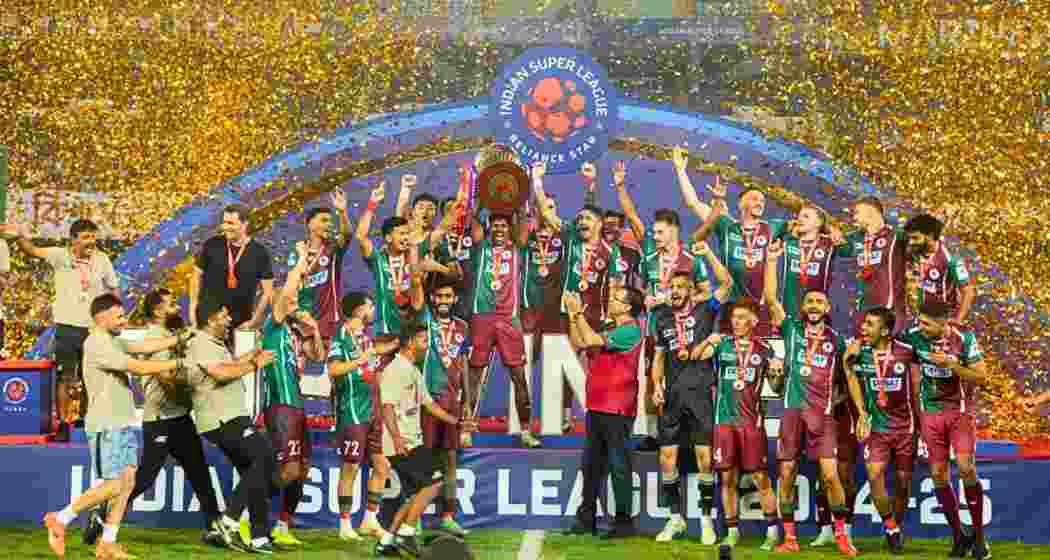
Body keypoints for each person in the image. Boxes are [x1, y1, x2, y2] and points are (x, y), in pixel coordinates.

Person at [42, 294, 181, 560]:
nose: (124, 320)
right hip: (107, 424)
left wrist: (179, 339)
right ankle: (60, 518)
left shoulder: (112, 339)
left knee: (127, 483)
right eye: (119, 316)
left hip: (122, 422)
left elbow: (142, 347)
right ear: (101, 317)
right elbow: (138, 367)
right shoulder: (96, 343)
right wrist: (177, 362)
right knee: (115, 485)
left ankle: (107, 543)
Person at [84, 289, 221, 547]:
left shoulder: (149, 337)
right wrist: (186, 374)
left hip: (179, 417)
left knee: (199, 472)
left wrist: (180, 340)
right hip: (158, 420)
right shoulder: (107, 342)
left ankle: (215, 525)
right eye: (172, 304)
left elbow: (145, 349)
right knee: (143, 478)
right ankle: (96, 514)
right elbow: (154, 373)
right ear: (158, 310)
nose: (178, 308)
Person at [763, 240, 857, 555]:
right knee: (786, 474)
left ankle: (841, 535)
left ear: (828, 309)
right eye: (810, 301)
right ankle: (790, 539)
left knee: (830, 476)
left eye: (820, 301)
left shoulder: (838, 341)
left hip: (823, 415)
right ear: (803, 308)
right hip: (792, 411)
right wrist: (772, 261)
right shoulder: (791, 328)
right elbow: (771, 299)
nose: (814, 305)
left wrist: (843, 403)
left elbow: (848, 377)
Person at [11, 219, 119, 441]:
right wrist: (19, 235)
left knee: (92, 377)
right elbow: (32, 250)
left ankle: (88, 420)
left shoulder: (102, 259)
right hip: (67, 327)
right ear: (73, 239)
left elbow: (113, 289)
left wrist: (116, 318)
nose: (91, 241)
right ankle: (62, 424)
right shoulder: (60, 255)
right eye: (86, 237)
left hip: (94, 329)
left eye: (93, 236)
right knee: (65, 377)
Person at [898, 301, 990, 560]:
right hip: (930, 413)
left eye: (927, 323)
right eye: (920, 321)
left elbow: (982, 377)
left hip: (958, 411)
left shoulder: (964, 339)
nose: (921, 326)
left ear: (943, 323)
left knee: (966, 468)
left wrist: (952, 365)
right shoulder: (913, 336)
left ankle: (979, 538)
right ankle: (959, 536)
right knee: (938, 474)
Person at [672, 147, 796, 336]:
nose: (759, 202)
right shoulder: (725, 226)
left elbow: (804, 225)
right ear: (740, 204)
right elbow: (693, 203)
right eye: (754, 198)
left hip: (760, 308)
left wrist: (830, 230)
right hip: (731, 307)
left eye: (762, 201)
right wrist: (680, 170)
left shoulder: (773, 227)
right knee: (728, 350)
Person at [186, 305, 278, 554]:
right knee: (263, 458)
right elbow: (220, 373)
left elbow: (229, 365)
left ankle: (259, 537)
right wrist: (255, 364)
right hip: (222, 418)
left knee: (255, 470)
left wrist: (251, 355)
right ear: (209, 319)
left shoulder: (215, 343)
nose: (229, 320)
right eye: (223, 316)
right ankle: (228, 521)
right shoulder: (200, 343)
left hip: (231, 415)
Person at [374, 321, 467, 557]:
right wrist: (397, 438)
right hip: (404, 443)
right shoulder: (396, 370)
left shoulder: (413, 370)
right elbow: (387, 407)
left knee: (415, 495)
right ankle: (406, 534)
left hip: (409, 441)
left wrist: (456, 422)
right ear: (409, 343)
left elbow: (429, 404)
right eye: (424, 340)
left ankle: (387, 541)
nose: (427, 345)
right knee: (434, 482)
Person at [562, 286, 645, 539]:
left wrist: (578, 314)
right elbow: (579, 343)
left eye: (616, 298)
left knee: (619, 465)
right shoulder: (610, 328)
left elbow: (589, 339)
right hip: (597, 405)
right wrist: (572, 316)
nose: (610, 300)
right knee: (590, 465)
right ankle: (586, 518)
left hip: (617, 407)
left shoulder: (631, 330)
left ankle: (623, 523)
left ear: (627, 307)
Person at [647, 271, 721, 544]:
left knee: (705, 458)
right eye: (672, 287)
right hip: (673, 396)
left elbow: (726, 285)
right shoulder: (662, 317)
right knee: (666, 457)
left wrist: (705, 256)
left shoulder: (705, 310)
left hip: (700, 394)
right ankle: (675, 517)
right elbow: (658, 358)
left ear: (691, 291)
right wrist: (656, 385)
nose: (675, 291)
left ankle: (706, 521)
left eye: (681, 287)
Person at [261, 241, 327, 547]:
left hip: (297, 405)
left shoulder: (294, 331)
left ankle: (283, 526)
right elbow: (288, 291)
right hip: (280, 405)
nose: (294, 302)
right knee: (287, 470)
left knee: (302, 470)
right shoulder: (272, 326)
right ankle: (244, 515)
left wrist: (314, 330)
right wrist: (301, 261)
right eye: (290, 300)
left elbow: (318, 357)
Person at [701, 300, 780, 550]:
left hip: (751, 423)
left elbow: (776, 388)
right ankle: (732, 531)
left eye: (742, 317)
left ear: (754, 321)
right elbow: (697, 356)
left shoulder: (765, 349)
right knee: (727, 478)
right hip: (724, 422)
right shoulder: (722, 345)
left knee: (760, 478)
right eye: (734, 317)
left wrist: (776, 373)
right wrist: (708, 341)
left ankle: (772, 532)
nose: (736, 322)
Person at [843, 306, 918, 554]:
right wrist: (862, 412)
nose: (863, 328)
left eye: (870, 324)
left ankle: (896, 525)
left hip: (905, 428)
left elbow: (917, 389)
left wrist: (922, 428)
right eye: (863, 323)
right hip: (876, 428)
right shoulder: (860, 353)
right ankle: (891, 528)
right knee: (874, 475)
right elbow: (850, 376)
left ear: (885, 331)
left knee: (903, 483)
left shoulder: (906, 352)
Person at [462, 204, 538, 448]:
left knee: (519, 376)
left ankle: (525, 431)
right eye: (495, 225)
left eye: (503, 226)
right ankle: (466, 429)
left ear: (509, 229)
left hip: (508, 318)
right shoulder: (481, 247)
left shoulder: (517, 248)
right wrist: (483, 198)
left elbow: (524, 223)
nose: (499, 229)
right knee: (474, 375)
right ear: (489, 227)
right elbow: (475, 220)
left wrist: (521, 195)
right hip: (482, 317)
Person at [328, 292, 397, 541]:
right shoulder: (340, 336)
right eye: (370, 306)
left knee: (382, 465)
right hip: (353, 411)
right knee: (351, 467)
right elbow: (334, 369)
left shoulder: (365, 338)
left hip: (372, 411)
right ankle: (345, 524)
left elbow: (372, 365)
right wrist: (361, 360)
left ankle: (369, 520)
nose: (373, 310)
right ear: (358, 310)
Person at [410, 278, 472, 536]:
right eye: (440, 296)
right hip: (427, 400)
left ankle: (448, 516)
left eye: (448, 296)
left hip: (452, 402)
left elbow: (464, 364)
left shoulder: (463, 327)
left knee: (449, 460)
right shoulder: (425, 320)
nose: (444, 300)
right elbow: (417, 286)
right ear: (432, 299)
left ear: (455, 299)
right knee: (423, 459)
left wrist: (467, 402)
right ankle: (415, 518)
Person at [189, 204, 274, 331]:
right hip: (207, 321)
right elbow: (195, 276)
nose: (225, 227)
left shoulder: (259, 253)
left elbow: (268, 291)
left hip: (240, 324)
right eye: (224, 222)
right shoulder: (212, 244)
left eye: (231, 223)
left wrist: (254, 321)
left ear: (244, 224)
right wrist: (192, 308)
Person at [286, 191, 353, 341]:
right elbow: (291, 287)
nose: (329, 225)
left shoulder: (332, 248)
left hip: (329, 319)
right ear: (309, 224)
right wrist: (296, 313)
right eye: (324, 220)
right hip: (304, 320)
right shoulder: (296, 251)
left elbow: (347, 235)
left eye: (330, 221)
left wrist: (342, 212)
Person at [836, 197, 908, 334]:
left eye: (857, 213)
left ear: (871, 212)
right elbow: (836, 247)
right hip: (863, 308)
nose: (854, 218)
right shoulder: (853, 238)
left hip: (889, 309)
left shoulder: (896, 236)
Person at [902, 213, 975, 324]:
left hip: (941, 317)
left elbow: (968, 291)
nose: (911, 242)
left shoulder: (950, 259)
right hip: (921, 314)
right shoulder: (915, 251)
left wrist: (958, 319)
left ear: (930, 236)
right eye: (910, 238)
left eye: (915, 238)